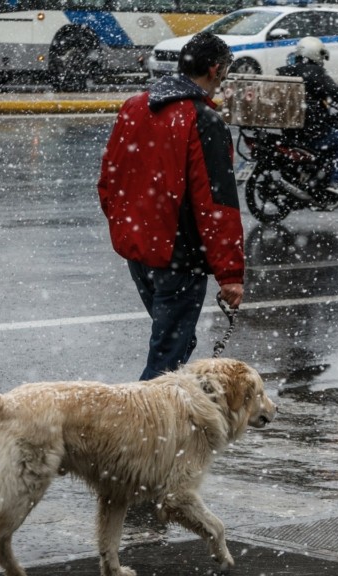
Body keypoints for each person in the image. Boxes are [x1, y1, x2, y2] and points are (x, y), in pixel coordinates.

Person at [98, 31, 245, 381]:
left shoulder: (136, 106)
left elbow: (110, 180)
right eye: (224, 71)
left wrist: (127, 228)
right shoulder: (203, 120)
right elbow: (217, 203)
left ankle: (154, 425)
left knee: (175, 342)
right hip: (178, 257)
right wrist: (230, 274)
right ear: (214, 69)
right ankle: (142, 430)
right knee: (167, 359)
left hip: (140, 253)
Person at [277, 36, 338, 198]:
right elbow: (336, 94)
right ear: (315, 54)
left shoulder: (286, 71)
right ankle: (336, 182)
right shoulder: (316, 73)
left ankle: (313, 176)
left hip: (290, 131)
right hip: (310, 130)